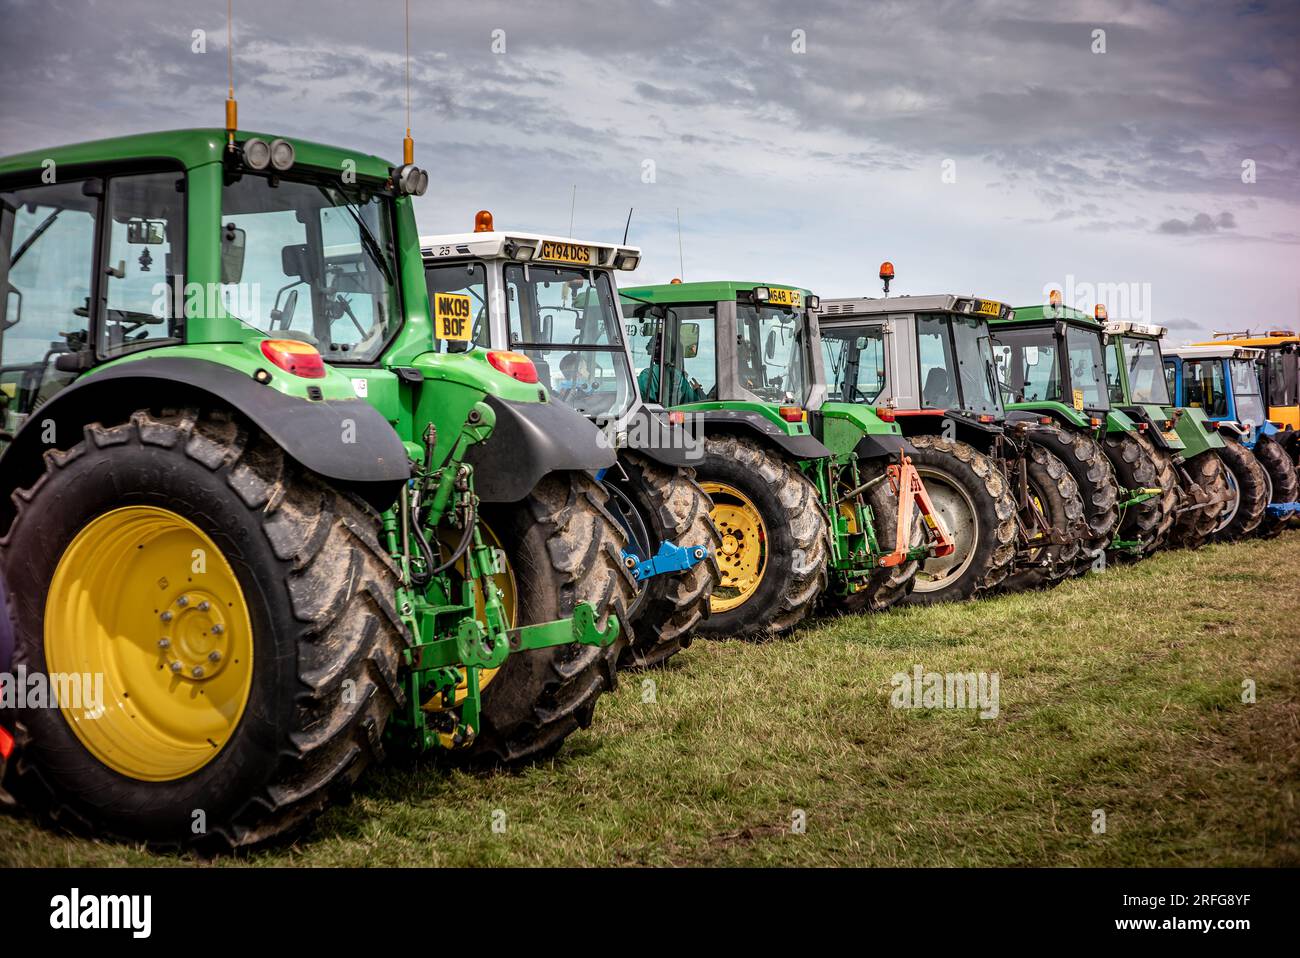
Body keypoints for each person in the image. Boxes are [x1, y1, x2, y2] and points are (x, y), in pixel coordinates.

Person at [638, 331, 704, 404]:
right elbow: (696, 403)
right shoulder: (679, 378)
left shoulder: (646, 375)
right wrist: (698, 391)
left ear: (652, 353)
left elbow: (636, 395)